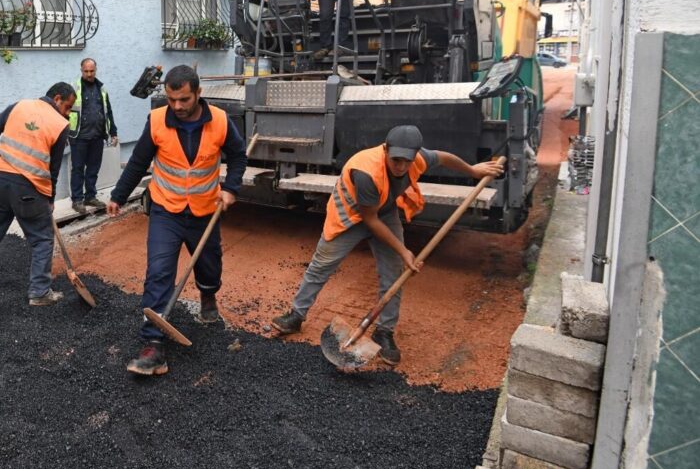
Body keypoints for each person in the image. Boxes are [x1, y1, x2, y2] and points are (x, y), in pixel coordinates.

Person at [270, 125, 504, 364]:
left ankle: (384, 331)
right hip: (350, 214)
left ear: (415, 155)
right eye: (396, 160)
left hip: (385, 212)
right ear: (386, 149)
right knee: (322, 265)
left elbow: (444, 157)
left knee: (392, 273)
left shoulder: (419, 157)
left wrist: (472, 170)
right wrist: (404, 251)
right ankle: (296, 315)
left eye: (406, 161)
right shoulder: (366, 171)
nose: (401, 166)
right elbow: (369, 219)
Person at [106, 65, 247, 376]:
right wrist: (118, 195)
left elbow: (238, 156)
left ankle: (208, 301)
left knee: (209, 264)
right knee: (158, 271)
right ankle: (152, 345)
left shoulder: (220, 121)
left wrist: (231, 188)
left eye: (184, 99)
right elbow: (139, 161)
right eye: (171, 99)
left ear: (198, 93)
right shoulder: (157, 120)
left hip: (204, 209)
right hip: (165, 210)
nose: (178, 106)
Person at [0, 83, 77, 307]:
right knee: (42, 240)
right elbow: (53, 168)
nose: (69, 113)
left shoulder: (20, 106)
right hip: (28, 188)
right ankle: (39, 292)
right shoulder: (60, 124)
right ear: (57, 98)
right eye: (68, 107)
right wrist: (50, 199)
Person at [68, 58, 119, 214]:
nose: (89, 74)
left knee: (93, 168)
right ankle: (77, 200)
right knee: (77, 169)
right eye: (86, 71)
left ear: (96, 70)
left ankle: (90, 196)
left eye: (92, 71)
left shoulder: (101, 89)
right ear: (81, 70)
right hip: (79, 136)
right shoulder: (74, 88)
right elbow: (65, 110)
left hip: (97, 135)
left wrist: (113, 132)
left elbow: (108, 111)